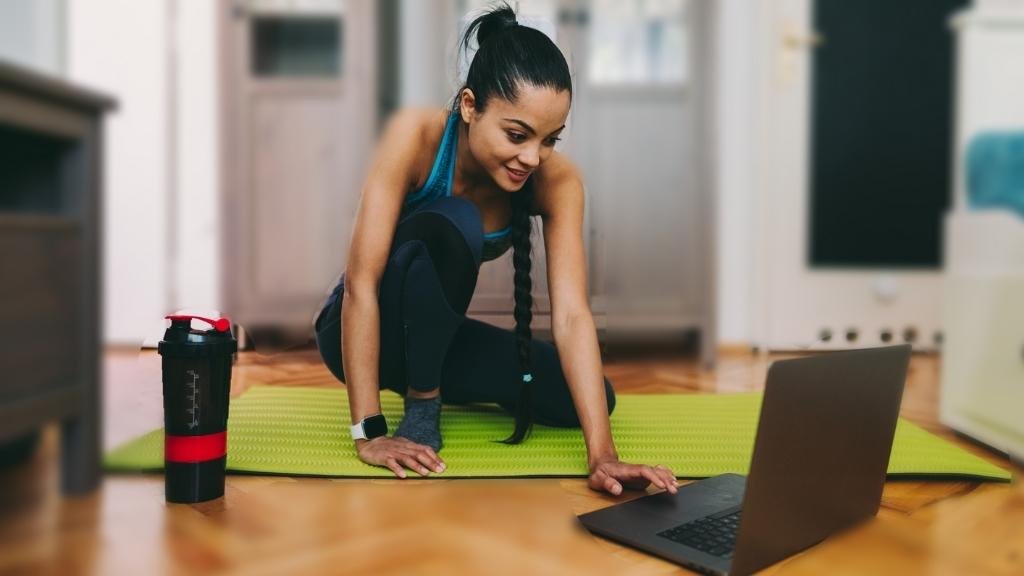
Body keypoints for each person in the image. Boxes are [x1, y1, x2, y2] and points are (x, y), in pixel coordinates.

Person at [314, 2, 678, 496]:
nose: (532, 157)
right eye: (516, 134)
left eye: (551, 139)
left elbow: (571, 315)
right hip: (354, 329)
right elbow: (361, 283)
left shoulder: (559, 182)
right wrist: (368, 434)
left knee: (587, 401)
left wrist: (603, 455)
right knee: (455, 219)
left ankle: (436, 380)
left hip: (431, 341)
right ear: (469, 105)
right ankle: (424, 402)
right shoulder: (416, 137)